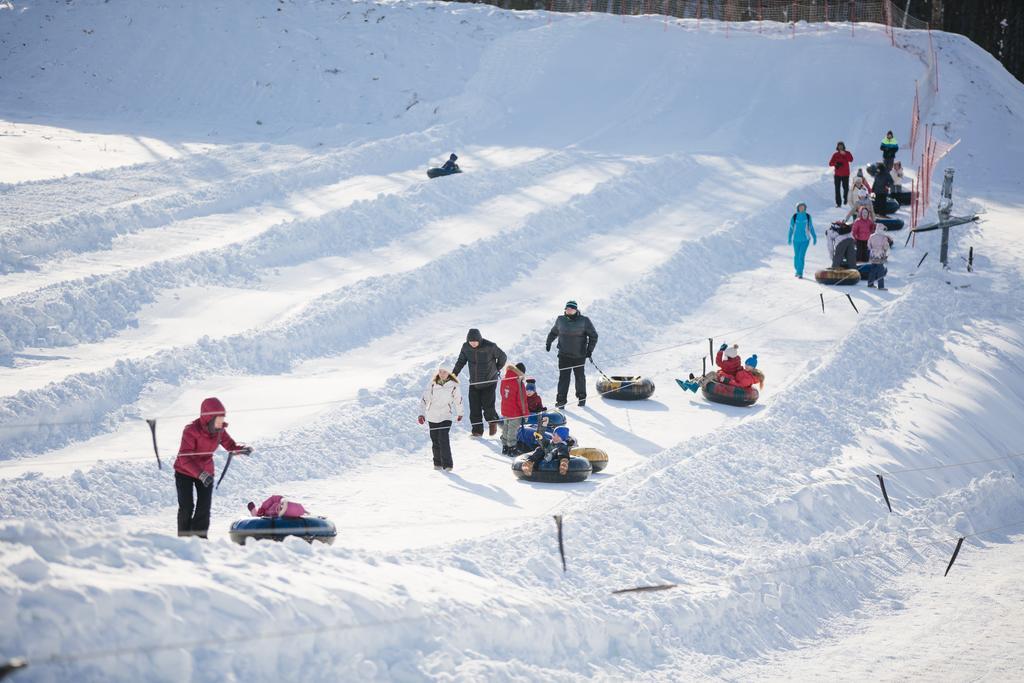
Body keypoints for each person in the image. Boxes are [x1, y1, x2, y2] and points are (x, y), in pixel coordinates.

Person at [173, 397, 251, 538]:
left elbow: (230, 445)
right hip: (184, 471)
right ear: (209, 418)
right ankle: (184, 539)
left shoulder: (219, 430)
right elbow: (184, 457)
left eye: (222, 418)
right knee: (187, 507)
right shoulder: (191, 430)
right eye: (219, 418)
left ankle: (199, 538)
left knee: (204, 506)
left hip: (206, 471)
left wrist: (242, 449)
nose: (222, 422)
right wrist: (200, 474)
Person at [452, 328, 506, 437]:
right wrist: (454, 374)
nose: (473, 344)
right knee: (474, 407)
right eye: (470, 342)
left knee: (488, 407)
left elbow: (502, 357)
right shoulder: (466, 347)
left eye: (475, 341)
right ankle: (477, 431)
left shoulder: (490, 347)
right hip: (474, 383)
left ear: (479, 340)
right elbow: (461, 361)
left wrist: (496, 368)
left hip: (489, 381)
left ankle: (492, 422)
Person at [545, 301, 599, 408]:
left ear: (576, 310)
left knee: (579, 377)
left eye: (571, 309)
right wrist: (548, 342)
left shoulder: (584, 321)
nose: (569, 311)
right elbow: (553, 332)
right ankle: (561, 400)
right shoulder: (560, 320)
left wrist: (589, 350)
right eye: (567, 309)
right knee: (563, 378)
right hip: (564, 355)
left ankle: (582, 397)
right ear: (565, 309)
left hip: (579, 355)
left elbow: (594, 336)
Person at [418, 366, 463, 471]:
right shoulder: (432, 384)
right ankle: (437, 463)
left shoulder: (454, 385)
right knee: (435, 440)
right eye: (440, 371)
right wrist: (421, 414)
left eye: (445, 372)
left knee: (443, 438)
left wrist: (460, 413)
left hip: (446, 415)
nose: (442, 374)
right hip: (432, 416)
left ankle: (448, 465)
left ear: (449, 373)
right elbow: (424, 399)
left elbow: (458, 400)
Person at [499, 362, 529, 456]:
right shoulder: (518, 382)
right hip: (515, 412)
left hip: (505, 409)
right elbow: (522, 400)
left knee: (506, 428)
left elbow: (501, 393)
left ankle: (505, 447)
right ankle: (512, 449)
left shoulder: (505, 379)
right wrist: (525, 414)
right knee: (512, 430)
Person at [787, 203, 817, 279]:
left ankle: (800, 272)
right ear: (797, 208)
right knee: (796, 256)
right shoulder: (794, 216)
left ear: (805, 208)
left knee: (801, 256)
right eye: (800, 207)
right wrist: (789, 238)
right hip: (796, 240)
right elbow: (791, 228)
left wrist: (814, 237)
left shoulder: (807, 216)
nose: (801, 208)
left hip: (805, 240)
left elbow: (811, 227)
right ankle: (797, 270)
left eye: (803, 207)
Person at [828, 142, 854, 207]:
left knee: (846, 188)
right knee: (837, 189)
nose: (840, 147)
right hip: (837, 175)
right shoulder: (835, 154)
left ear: (843, 146)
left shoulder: (847, 153)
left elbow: (851, 160)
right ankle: (838, 203)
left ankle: (846, 200)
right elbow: (830, 163)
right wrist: (836, 164)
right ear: (837, 147)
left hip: (845, 174)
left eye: (841, 146)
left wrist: (845, 154)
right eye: (839, 146)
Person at [867, 225, 892, 290]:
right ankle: (881, 286)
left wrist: (872, 250)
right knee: (880, 271)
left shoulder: (871, 236)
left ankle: (870, 283)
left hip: (873, 255)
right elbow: (885, 246)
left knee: (872, 269)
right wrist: (885, 250)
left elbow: (869, 245)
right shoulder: (883, 237)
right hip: (880, 255)